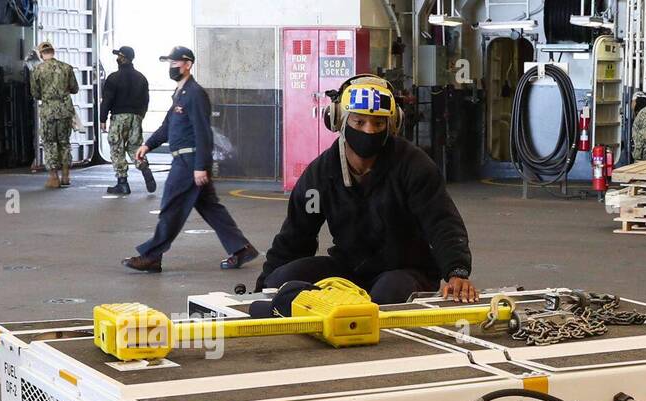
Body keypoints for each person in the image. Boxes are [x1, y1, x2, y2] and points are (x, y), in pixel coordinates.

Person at [256, 74, 477, 303]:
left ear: (392, 124)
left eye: (378, 123)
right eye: (359, 122)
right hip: (349, 268)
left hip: (406, 271)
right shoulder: (320, 175)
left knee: (385, 297)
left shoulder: (414, 165)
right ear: (338, 120)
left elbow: (441, 222)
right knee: (279, 281)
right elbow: (295, 236)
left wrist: (456, 271)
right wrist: (263, 289)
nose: (369, 130)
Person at [122, 45, 258, 273]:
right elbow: (168, 126)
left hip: (188, 162)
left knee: (170, 208)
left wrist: (201, 166)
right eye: (169, 63)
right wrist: (147, 145)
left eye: (174, 63)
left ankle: (152, 256)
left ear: (187, 64)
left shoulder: (195, 94)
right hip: (186, 161)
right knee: (211, 208)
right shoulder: (180, 94)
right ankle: (241, 249)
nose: (171, 67)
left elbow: (203, 132)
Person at [100, 46, 156, 196]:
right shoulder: (141, 78)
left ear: (123, 58)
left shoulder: (113, 78)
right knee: (134, 146)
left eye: (118, 56)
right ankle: (143, 166)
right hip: (136, 117)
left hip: (119, 117)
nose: (117, 58)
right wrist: (140, 116)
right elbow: (146, 100)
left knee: (117, 148)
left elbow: (107, 100)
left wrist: (102, 118)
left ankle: (122, 184)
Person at [30, 41, 79, 189]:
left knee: (50, 143)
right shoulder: (67, 68)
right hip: (65, 111)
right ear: (53, 52)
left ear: (40, 54)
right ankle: (66, 175)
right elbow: (75, 88)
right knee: (64, 142)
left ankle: (53, 177)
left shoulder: (37, 70)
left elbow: (35, 93)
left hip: (48, 112)